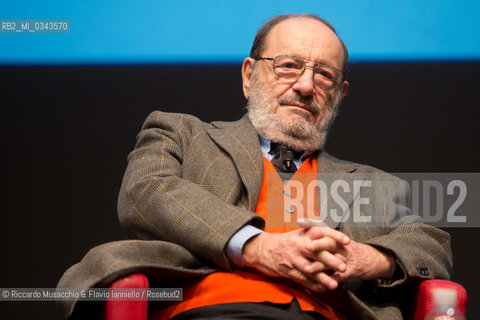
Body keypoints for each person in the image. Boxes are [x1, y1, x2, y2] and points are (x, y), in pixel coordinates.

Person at [58, 14, 452, 320]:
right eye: (288, 66)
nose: (304, 85)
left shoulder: (372, 183)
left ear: (339, 93)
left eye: (324, 75)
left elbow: (430, 242)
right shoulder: (182, 134)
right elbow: (146, 193)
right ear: (250, 75)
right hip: (210, 310)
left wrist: (366, 260)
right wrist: (256, 246)